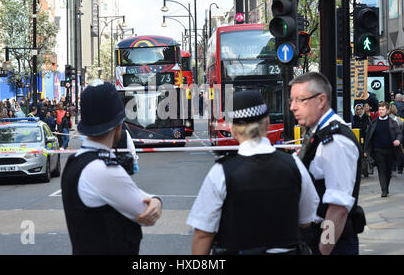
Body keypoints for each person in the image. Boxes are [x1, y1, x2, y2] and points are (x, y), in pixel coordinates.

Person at [187, 90, 319, 255]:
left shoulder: (221, 173)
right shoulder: (295, 166)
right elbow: (306, 221)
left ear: (233, 129)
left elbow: (203, 234)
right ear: (267, 123)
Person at [61, 82, 162, 255]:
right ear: (118, 125)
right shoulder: (103, 170)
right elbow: (145, 212)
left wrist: (153, 199)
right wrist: (157, 201)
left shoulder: (75, 162)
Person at [289, 72, 364, 255]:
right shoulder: (318, 131)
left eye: (300, 100)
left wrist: (324, 249)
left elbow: (338, 209)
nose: (292, 107)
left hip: (331, 243)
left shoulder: (335, 141)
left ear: (321, 100)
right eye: (292, 100)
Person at [365, 102, 403, 197]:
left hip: (390, 150)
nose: (381, 111)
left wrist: (398, 140)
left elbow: (399, 133)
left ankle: (386, 187)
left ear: (387, 110)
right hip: (378, 150)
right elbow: (368, 136)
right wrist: (366, 150)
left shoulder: (392, 122)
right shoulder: (374, 122)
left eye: (383, 109)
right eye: (380, 109)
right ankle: (384, 190)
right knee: (381, 170)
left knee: (388, 171)